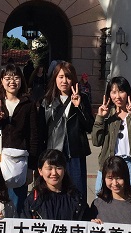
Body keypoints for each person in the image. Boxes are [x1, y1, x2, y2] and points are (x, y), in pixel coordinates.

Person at [0, 64, 38, 213]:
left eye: (16, 77)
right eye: (7, 78)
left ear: (21, 81)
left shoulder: (29, 104)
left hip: (19, 163)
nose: (12, 81)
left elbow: (33, 137)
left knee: (17, 204)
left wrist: (31, 168)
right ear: (1, 81)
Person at [38, 61, 94, 200]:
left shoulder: (83, 98)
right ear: (55, 78)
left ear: (73, 79)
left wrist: (79, 106)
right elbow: (41, 131)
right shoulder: (47, 101)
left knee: (76, 192)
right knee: (53, 192)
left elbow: (89, 126)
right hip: (53, 152)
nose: (64, 81)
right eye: (61, 77)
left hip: (74, 153)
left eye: (68, 77)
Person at [92, 76, 131, 199]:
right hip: (108, 164)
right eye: (113, 92)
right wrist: (100, 118)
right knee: (102, 203)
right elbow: (96, 141)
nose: (117, 96)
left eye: (121, 91)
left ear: (128, 93)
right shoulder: (108, 116)